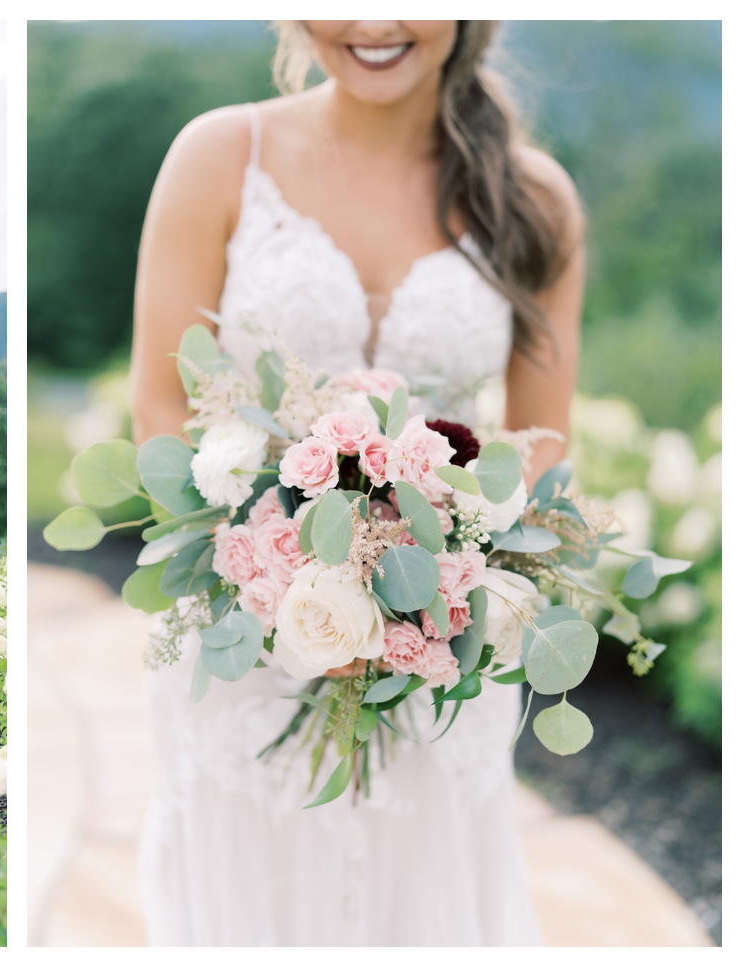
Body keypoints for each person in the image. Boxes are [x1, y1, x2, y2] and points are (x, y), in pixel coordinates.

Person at [130, 21, 584, 945]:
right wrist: (277, 584)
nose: (372, 22)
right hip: (245, 635)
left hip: (444, 648)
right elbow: (160, 405)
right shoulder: (219, 155)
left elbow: (541, 442)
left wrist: (437, 587)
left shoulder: (536, 198)